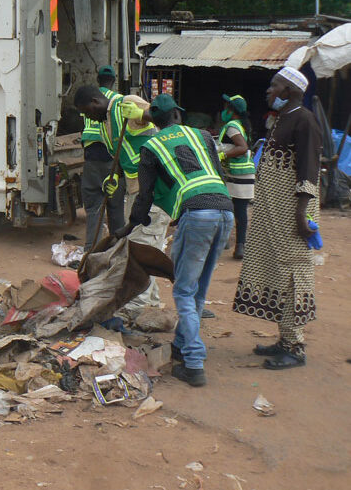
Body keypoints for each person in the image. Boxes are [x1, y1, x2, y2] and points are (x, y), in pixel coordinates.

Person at [115, 94, 234, 387]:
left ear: (152, 119)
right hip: (225, 210)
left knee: (182, 290)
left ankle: (193, 363)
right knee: (198, 288)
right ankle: (182, 344)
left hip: (197, 216)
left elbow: (144, 196)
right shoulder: (203, 135)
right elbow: (217, 173)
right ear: (178, 116)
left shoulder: (151, 146)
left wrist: (129, 226)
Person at [233, 67, 322, 370]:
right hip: (273, 211)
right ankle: (283, 339)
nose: (269, 91)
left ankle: (295, 347)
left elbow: (309, 171)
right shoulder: (283, 118)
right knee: (275, 269)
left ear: (290, 91)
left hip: (292, 213)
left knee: (292, 273)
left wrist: (302, 214)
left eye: (274, 86)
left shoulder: (305, 120)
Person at [74, 84, 168, 312]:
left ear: (95, 102)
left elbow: (167, 118)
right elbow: (122, 152)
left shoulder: (127, 103)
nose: (89, 118)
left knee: (140, 250)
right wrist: (114, 177)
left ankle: (136, 308)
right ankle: (151, 304)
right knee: (146, 247)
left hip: (154, 191)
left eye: (87, 113)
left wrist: (143, 114)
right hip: (137, 192)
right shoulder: (106, 122)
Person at [80, 66, 124, 251]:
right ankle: (118, 250)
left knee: (94, 209)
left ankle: (92, 251)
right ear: (113, 81)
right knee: (115, 208)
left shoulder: (89, 99)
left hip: (91, 157)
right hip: (113, 160)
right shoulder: (117, 100)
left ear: (98, 80)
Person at [217, 94, 255, 259]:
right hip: (246, 175)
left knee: (223, 208)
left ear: (233, 111)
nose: (224, 110)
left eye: (227, 107)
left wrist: (222, 156)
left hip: (235, 175)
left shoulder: (232, 125)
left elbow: (242, 147)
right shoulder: (243, 125)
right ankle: (240, 246)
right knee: (240, 212)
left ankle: (223, 241)